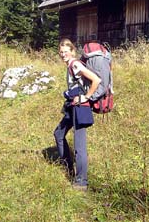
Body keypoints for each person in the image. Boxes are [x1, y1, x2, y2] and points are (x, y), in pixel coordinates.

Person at [54, 38, 101, 191]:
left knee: (79, 146)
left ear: (72, 51)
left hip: (80, 106)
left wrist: (86, 97)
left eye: (66, 52)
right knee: (59, 133)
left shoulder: (75, 64)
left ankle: (81, 182)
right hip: (72, 106)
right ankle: (68, 168)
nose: (63, 55)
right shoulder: (70, 65)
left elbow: (96, 79)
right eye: (61, 52)